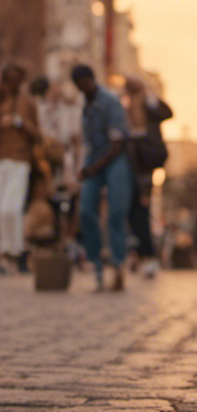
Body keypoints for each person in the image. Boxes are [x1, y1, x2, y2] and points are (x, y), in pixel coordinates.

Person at [71, 64, 133, 291]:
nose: (83, 87)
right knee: (86, 211)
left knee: (116, 213)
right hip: (93, 162)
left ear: (92, 79)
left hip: (114, 160)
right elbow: (87, 142)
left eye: (85, 82)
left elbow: (117, 144)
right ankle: (97, 265)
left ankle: (118, 266)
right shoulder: (85, 106)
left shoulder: (111, 102)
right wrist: (83, 168)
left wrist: (93, 168)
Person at [123, 76, 173, 279]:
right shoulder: (126, 106)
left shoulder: (148, 104)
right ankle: (139, 254)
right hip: (132, 160)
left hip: (145, 160)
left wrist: (152, 95)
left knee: (142, 210)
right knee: (132, 211)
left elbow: (168, 113)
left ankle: (148, 257)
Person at [0, 62, 40, 273]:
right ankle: (5, 255)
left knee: (11, 208)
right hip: (1, 160)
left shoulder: (27, 103)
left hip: (19, 160)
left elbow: (38, 135)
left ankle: (14, 250)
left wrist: (18, 123)